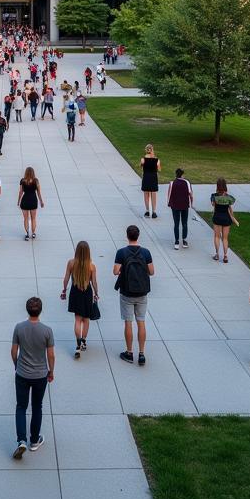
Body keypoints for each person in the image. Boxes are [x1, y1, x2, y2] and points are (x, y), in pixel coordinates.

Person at [11, 297, 55, 459]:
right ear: (40, 310)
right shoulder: (47, 331)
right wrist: (51, 371)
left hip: (22, 373)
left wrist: (17, 365)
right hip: (40, 375)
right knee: (37, 406)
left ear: (27, 309)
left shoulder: (19, 328)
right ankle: (34, 441)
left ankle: (21, 440)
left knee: (21, 406)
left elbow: (13, 351)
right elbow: (51, 355)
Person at [113, 224, 154, 365]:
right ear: (138, 236)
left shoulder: (121, 252)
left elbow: (115, 271)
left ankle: (129, 352)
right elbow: (152, 272)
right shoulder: (146, 252)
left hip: (126, 292)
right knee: (141, 321)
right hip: (142, 292)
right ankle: (141, 354)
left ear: (127, 236)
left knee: (128, 322)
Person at [60, 240, 99, 358]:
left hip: (75, 292)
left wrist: (64, 290)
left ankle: (77, 342)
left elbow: (66, 278)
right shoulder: (91, 266)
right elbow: (94, 282)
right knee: (86, 320)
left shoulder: (71, 263)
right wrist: (96, 293)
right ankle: (83, 341)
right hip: (87, 293)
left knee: (77, 319)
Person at [210, 179, 239, 262]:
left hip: (217, 217)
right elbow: (230, 207)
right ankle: (225, 256)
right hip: (226, 218)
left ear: (217, 186)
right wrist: (233, 217)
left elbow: (213, 205)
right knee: (225, 238)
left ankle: (217, 254)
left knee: (217, 237)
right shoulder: (229, 197)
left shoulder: (214, 196)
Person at [167, 167, 194, 248]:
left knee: (176, 223)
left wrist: (169, 203)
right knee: (184, 223)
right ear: (182, 175)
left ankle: (176, 242)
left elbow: (169, 194)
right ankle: (184, 240)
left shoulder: (172, 183)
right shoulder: (187, 182)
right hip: (184, 205)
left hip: (174, 206)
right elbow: (191, 195)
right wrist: (191, 203)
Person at [17, 166, 44, 239]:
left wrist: (18, 201)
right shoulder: (36, 181)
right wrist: (41, 201)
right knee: (33, 218)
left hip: (25, 201)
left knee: (26, 219)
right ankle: (33, 233)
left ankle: (27, 234)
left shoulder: (22, 181)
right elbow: (38, 193)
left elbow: (21, 192)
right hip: (33, 200)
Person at [140, 144, 161, 218]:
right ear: (152, 150)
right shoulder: (157, 160)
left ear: (146, 150)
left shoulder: (143, 159)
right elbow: (159, 169)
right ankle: (154, 212)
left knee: (146, 194)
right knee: (153, 194)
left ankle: (147, 211)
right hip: (153, 177)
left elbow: (142, 167)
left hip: (146, 177)